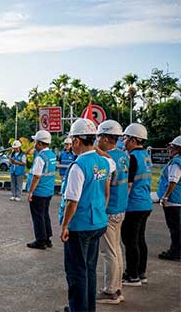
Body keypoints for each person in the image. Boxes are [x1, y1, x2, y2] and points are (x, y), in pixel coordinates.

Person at [58, 118, 111, 312]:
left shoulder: (78, 166)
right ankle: (88, 308)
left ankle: (78, 309)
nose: (71, 144)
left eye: (72, 139)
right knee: (89, 269)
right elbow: (106, 190)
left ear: (77, 141)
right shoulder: (104, 162)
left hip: (79, 226)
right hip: (97, 223)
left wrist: (65, 226)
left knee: (76, 273)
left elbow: (72, 200)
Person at [94, 120, 128, 304]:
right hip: (120, 208)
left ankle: (110, 291)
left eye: (99, 137)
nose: (97, 140)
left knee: (108, 253)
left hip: (109, 210)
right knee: (116, 249)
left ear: (106, 138)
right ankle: (118, 288)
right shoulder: (123, 156)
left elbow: (101, 184)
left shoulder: (107, 161)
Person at [121, 123, 152, 286]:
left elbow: (129, 184)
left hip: (134, 205)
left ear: (133, 139)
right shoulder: (146, 156)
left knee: (130, 241)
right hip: (145, 204)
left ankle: (132, 275)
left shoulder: (132, 157)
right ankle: (141, 272)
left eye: (125, 138)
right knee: (140, 239)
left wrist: (121, 202)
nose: (123, 141)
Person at [27, 130, 57, 249]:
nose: (34, 144)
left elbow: (37, 176)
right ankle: (47, 238)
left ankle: (40, 241)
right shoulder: (52, 155)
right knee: (44, 215)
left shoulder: (40, 157)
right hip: (48, 190)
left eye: (35, 142)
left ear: (39, 143)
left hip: (39, 191)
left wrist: (30, 192)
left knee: (38, 216)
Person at [156, 135, 181, 261]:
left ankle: (175, 252)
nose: (169, 149)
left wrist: (165, 197)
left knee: (175, 228)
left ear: (177, 149)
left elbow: (173, 181)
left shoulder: (176, 163)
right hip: (178, 199)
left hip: (173, 200)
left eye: (172, 147)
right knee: (177, 227)